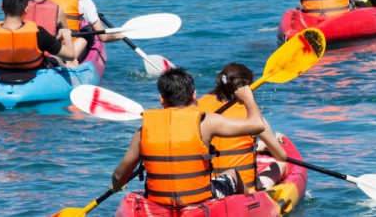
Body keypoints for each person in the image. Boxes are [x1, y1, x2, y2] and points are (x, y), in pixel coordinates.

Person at [110, 68, 267, 207]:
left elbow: (119, 175)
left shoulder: (144, 130)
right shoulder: (206, 121)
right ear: (193, 96)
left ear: (161, 99)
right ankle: (251, 206)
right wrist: (248, 98)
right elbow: (258, 125)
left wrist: (117, 186)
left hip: (158, 202)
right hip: (198, 201)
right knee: (232, 174)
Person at [197, 63, 288, 192]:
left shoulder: (199, 110)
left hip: (211, 186)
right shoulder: (254, 119)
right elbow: (281, 156)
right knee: (281, 165)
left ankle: (259, 146)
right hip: (243, 189)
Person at [45, 0, 124, 66]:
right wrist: (122, 34)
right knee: (88, 30)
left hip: (46, 46)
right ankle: (70, 59)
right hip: (68, 50)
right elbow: (103, 37)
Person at [22, 0, 69, 66]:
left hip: (22, 56)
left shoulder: (19, 7)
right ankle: (71, 65)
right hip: (47, 60)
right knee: (81, 41)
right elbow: (67, 34)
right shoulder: (57, 9)